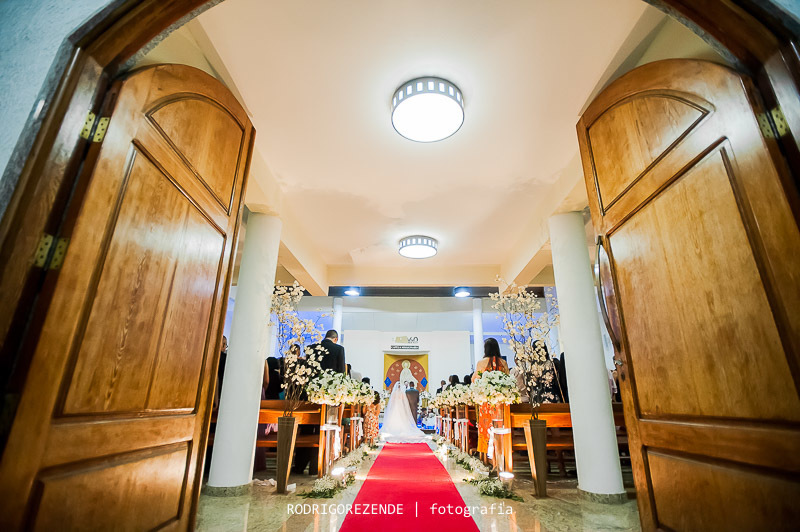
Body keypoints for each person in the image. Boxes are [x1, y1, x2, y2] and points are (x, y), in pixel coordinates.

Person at [472, 338, 510, 460]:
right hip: (500, 402)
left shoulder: (481, 363)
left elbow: (475, 380)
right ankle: (500, 453)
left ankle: (485, 456)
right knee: (499, 426)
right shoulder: (503, 363)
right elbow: (508, 379)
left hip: (486, 402)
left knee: (486, 428)